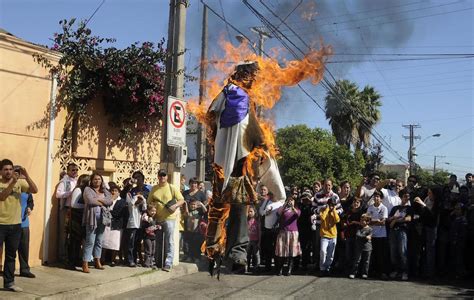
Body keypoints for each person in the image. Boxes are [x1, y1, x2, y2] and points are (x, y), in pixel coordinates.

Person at [201, 61, 286, 277]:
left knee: (223, 206)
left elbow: (210, 113)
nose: (257, 81)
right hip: (236, 162)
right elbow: (251, 132)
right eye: (254, 76)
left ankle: (218, 250)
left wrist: (214, 137)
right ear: (247, 77)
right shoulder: (242, 96)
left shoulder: (227, 93)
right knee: (235, 206)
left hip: (228, 162)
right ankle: (234, 253)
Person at [0, 159, 38, 292]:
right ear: (1, 171)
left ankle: (9, 283)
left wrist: (26, 176)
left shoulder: (20, 182)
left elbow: (34, 190)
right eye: (6, 169)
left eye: (11, 169)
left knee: (11, 256)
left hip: (15, 225)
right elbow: (2, 197)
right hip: (0, 224)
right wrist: (13, 183)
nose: (9, 172)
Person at [147, 169, 185, 272]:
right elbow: (149, 202)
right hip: (158, 218)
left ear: (167, 177)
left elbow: (182, 200)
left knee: (169, 241)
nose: (162, 177)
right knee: (158, 241)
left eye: (164, 175)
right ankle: (159, 261)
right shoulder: (154, 189)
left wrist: (175, 206)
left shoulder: (171, 188)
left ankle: (168, 262)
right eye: (160, 175)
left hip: (169, 218)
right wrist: (151, 213)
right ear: (158, 176)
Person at [81, 173, 112, 273]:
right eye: (95, 179)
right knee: (90, 241)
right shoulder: (87, 189)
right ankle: (85, 263)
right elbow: (89, 201)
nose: (97, 181)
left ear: (101, 181)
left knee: (99, 240)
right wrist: (102, 201)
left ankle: (97, 261)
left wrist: (98, 200)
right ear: (91, 180)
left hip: (103, 219)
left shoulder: (105, 190)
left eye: (99, 179)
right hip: (91, 219)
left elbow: (110, 201)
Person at [55, 162, 79, 263]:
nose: (75, 172)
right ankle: (62, 256)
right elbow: (58, 194)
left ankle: (72, 256)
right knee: (64, 233)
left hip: (76, 210)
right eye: (73, 170)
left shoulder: (78, 181)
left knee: (74, 234)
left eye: (76, 170)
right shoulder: (64, 182)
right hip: (66, 209)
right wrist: (70, 193)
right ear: (68, 171)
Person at [387, 190, 413, 281]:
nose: (407, 198)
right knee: (393, 252)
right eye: (405, 196)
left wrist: (396, 221)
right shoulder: (395, 208)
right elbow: (389, 219)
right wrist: (394, 218)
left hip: (403, 231)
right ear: (401, 197)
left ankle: (405, 271)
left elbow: (408, 218)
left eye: (408, 196)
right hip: (393, 231)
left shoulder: (409, 208)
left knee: (403, 251)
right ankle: (396, 270)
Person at [414, 187, 439, 278]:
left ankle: (430, 273)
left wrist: (423, 205)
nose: (429, 194)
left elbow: (432, 216)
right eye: (428, 192)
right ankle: (421, 271)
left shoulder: (437, 203)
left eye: (430, 193)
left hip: (432, 228)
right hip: (424, 226)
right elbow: (423, 213)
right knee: (422, 250)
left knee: (430, 250)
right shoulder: (426, 199)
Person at [15, 166, 35, 278]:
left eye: (19, 173)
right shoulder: (9, 186)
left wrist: (29, 208)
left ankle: (25, 269)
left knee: (23, 247)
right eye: (16, 173)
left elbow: (30, 201)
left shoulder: (26, 187)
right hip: (10, 222)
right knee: (9, 248)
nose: (18, 175)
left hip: (23, 223)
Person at [274, 194, 301, 276]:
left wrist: (292, 207)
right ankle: (280, 269)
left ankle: (289, 269)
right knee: (282, 252)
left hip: (293, 233)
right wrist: (285, 204)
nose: (290, 202)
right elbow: (278, 213)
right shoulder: (283, 210)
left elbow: (297, 215)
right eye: (289, 200)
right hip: (283, 232)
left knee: (291, 252)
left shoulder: (297, 209)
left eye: (292, 200)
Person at [101, 182, 127, 267]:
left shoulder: (122, 201)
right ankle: (102, 259)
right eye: (112, 190)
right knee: (104, 242)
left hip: (116, 224)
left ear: (119, 192)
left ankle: (112, 260)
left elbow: (117, 213)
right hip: (107, 223)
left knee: (114, 243)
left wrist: (108, 211)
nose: (114, 192)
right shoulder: (108, 199)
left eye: (116, 190)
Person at [68, 174, 90, 269]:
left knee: (79, 241)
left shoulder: (85, 191)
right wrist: (86, 206)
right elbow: (73, 204)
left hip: (81, 218)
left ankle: (76, 259)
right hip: (76, 218)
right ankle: (71, 262)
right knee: (74, 241)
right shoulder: (78, 190)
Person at [366, 190, 389, 279]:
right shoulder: (370, 208)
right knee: (372, 255)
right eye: (375, 197)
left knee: (381, 255)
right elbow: (367, 221)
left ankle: (382, 272)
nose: (376, 198)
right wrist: (377, 221)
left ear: (381, 199)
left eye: (378, 197)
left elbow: (383, 222)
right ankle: (372, 272)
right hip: (372, 234)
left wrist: (373, 221)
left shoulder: (384, 208)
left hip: (381, 235)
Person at [259, 192, 284, 272]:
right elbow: (260, 211)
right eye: (270, 194)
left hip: (277, 229)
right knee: (267, 248)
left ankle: (277, 267)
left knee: (276, 248)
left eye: (273, 194)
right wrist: (266, 212)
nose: (271, 196)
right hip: (267, 228)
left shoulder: (280, 203)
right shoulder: (267, 202)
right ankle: (268, 266)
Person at [125, 184, 147, 267]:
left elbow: (145, 207)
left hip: (139, 226)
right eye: (139, 198)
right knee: (130, 244)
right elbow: (131, 203)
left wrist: (143, 198)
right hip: (132, 225)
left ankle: (134, 260)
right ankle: (130, 260)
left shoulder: (140, 208)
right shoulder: (132, 207)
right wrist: (136, 196)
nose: (139, 199)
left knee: (136, 244)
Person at [318, 196, 340, 275]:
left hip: (333, 236)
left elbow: (337, 220)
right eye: (330, 204)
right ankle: (322, 268)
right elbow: (322, 218)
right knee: (323, 251)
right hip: (324, 235)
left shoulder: (334, 211)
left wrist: (333, 210)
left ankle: (328, 268)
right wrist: (327, 209)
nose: (331, 206)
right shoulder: (323, 210)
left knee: (331, 254)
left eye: (333, 205)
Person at [183, 198, 207, 263]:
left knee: (196, 245)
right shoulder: (188, 211)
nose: (193, 206)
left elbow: (205, 211)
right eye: (191, 205)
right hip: (189, 231)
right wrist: (186, 205)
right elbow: (186, 214)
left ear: (197, 205)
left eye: (194, 204)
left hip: (197, 231)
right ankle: (190, 257)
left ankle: (197, 257)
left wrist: (201, 204)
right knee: (189, 245)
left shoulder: (199, 211)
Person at [349, 214, 372, 279]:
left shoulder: (370, 229)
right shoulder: (359, 228)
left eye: (363, 220)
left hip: (368, 248)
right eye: (361, 220)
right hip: (359, 247)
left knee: (366, 261)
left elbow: (370, 236)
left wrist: (367, 237)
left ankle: (364, 273)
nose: (361, 222)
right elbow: (358, 235)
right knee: (357, 260)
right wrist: (365, 237)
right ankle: (353, 273)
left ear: (367, 221)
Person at [342, 198, 362, 274]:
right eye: (354, 202)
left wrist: (354, 222)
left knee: (356, 254)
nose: (356, 204)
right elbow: (343, 220)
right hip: (349, 235)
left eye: (358, 202)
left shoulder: (361, 213)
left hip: (358, 235)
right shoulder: (348, 212)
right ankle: (348, 269)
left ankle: (356, 271)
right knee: (348, 254)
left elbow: (363, 223)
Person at [246, 205, 260, 273]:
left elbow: (259, 232)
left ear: (255, 212)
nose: (250, 213)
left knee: (256, 254)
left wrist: (259, 241)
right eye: (248, 212)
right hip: (248, 240)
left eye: (251, 211)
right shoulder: (246, 221)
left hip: (255, 240)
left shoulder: (257, 222)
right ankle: (247, 267)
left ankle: (256, 267)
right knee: (247, 254)